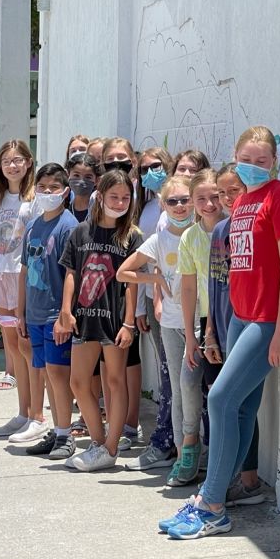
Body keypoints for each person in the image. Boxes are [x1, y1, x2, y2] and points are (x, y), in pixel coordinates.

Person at [161, 126, 280, 540]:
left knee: (221, 397)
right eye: (247, 159)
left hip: (267, 321)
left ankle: (210, 504)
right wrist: (216, 329)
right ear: (235, 156)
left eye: (262, 160)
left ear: (275, 161)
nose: (254, 166)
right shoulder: (242, 201)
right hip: (241, 318)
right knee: (241, 408)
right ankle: (220, 493)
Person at [118, 174, 205, 487]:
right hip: (170, 323)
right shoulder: (158, 239)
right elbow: (122, 272)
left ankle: (194, 451)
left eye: (185, 200)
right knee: (182, 390)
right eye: (173, 201)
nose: (180, 206)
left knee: (193, 387)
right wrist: (154, 280)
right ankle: (184, 456)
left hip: (200, 323)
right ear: (161, 204)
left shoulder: (201, 233)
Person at [58, 169, 141, 472]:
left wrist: (129, 323)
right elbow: (71, 272)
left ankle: (111, 447)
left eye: (125, 198)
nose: (119, 202)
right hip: (84, 316)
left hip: (115, 319)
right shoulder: (81, 231)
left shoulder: (132, 236)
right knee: (78, 382)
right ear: (100, 196)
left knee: (115, 382)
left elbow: (132, 283)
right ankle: (98, 442)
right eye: (113, 196)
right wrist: (65, 310)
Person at [199, 163, 266, 506]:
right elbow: (214, 287)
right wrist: (210, 333)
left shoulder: (254, 226)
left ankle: (223, 488)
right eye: (222, 192)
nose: (226, 199)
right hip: (225, 330)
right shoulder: (220, 231)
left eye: (233, 190)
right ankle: (223, 486)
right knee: (229, 404)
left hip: (252, 329)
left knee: (234, 405)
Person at [0, 140, 44, 442]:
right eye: (6, 161)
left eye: (18, 160)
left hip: (25, 279)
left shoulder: (34, 199)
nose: (12, 166)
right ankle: (22, 413)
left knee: (28, 344)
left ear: (29, 163)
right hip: (0, 276)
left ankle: (37, 415)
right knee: (13, 346)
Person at [17, 163, 80, 457]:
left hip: (57, 314)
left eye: (54, 188)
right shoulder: (33, 225)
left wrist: (65, 314)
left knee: (58, 373)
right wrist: (21, 313)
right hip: (35, 313)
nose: (47, 192)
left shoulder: (69, 227)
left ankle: (66, 436)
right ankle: (57, 431)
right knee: (45, 372)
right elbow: (24, 270)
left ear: (65, 192)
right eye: (42, 187)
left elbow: (72, 274)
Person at [130, 146, 179, 470]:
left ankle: (169, 442)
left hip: (179, 300)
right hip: (154, 299)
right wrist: (141, 305)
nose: (151, 172)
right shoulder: (145, 206)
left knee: (176, 377)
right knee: (167, 373)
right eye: (145, 168)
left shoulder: (171, 210)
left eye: (157, 165)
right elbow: (144, 260)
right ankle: (166, 439)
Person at [176, 169, 226, 477]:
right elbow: (189, 288)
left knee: (224, 395)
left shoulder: (232, 228)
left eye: (215, 197)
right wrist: (191, 336)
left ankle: (224, 463)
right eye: (201, 199)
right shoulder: (190, 238)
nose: (209, 204)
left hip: (232, 317)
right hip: (206, 322)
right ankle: (193, 448)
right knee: (197, 385)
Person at [98, 138, 144, 451]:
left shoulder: (145, 196)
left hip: (135, 292)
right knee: (106, 361)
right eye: (111, 159)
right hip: (102, 294)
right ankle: (111, 418)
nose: (118, 164)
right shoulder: (101, 198)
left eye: (124, 159)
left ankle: (129, 423)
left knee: (129, 362)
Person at [66, 152, 98, 223]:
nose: (81, 181)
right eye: (76, 175)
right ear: (68, 176)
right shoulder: (64, 210)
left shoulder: (99, 212)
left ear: (96, 180)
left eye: (88, 177)